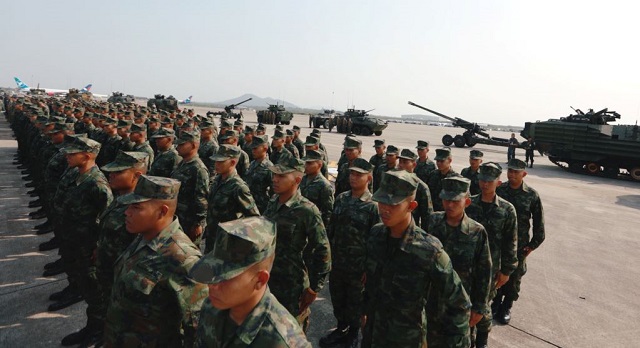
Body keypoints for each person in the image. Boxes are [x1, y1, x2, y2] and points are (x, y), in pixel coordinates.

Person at [362, 170, 471, 348]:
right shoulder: (376, 234)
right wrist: (364, 313)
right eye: (382, 201)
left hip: (407, 340)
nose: (385, 209)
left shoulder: (429, 250)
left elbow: (459, 303)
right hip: (373, 335)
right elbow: (371, 284)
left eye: (394, 204)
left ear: (411, 206)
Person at [104, 175, 208, 347]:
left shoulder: (184, 260)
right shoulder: (143, 237)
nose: (127, 212)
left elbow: (199, 332)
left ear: (162, 211)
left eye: (136, 207)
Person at [189, 216, 311, 347]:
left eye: (226, 277)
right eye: (214, 273)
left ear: (260, 279)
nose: (212, 285)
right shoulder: (211, 306)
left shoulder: (284, 341)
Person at [56, 136, 113, 346]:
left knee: (93, 289)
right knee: (80, 278)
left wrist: (98, 246)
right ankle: (77, 296)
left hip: (87, 245)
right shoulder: (76, 173)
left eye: (72, 153)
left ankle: (97, 328)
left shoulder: (97, 184)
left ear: (87, 156)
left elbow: (106, 218)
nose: (67, 156)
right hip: (73, 239)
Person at [263, 156, 331, 332]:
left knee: (290, 332)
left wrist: (314, 288)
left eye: (281, 176)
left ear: (297, 180)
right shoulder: (273, 202)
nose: (275, 179)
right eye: (274, 175)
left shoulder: (307, 210)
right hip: (268, 279)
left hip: (292, 286)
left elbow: (323, 250)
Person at [320, 158, 380, 348]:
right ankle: (341, 328)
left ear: (369, 178)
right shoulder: (342, 199)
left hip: (358, 266)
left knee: (356, 301)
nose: (353, 178)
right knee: (338, 296)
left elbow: (377, 241)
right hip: (338, 261)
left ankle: (354, 334)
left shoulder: (373, 206)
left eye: (358, 175)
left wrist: (368, 269)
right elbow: (332, 229)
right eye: (352, 174)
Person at [91, 151, 149, 348]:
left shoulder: (140, 209)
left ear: (137, 176)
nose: (111, 175)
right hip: (109, 273)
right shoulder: (120, 198)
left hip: (124, 280)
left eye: (118, 172)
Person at [426, 176, 492, 348]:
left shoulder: (476, 232)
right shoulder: (433, 222)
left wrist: (479, 307)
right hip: (431, 301)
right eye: (446, 199)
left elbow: (484, 271)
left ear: (467, 202)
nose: (449, 205)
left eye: (455, 201)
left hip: (460, 304)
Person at [465, 162, 518, 348]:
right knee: (467, 305)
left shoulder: (507, 209)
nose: (484, 184)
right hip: (468, 266)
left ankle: (482, 342)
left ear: (498, 182)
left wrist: (506, 271)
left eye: (489, 180)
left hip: (492, 268)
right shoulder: (469, 204)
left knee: (484, 308)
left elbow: (510, 242)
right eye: (481, 180)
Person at [495, 159, 545, 324]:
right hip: (499, 242)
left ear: (524, 174)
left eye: (516, 172)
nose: (512, 174)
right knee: (497, 273)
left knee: (514, 277)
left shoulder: (531, 195)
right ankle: (495, 302)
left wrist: (531, 246)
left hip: (519, 245)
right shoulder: (500, 190)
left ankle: (507, 306)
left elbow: (539, 225)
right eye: (510, 171)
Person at [204, 145, 259, 253]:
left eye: (220, 162)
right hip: (212, 238)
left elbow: (254, 218)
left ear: (233, 162)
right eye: (216, 161)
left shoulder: (238, 187)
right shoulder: (217, 180)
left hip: (228, 244)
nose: (216, 164)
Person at [171, 131, 210, 243]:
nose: (178, 147)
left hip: (189, 220)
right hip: (179, 215)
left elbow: (201, 198)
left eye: (182, 145)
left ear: (193, 145)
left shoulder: (198, 168)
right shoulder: (183, 163)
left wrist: (198, 223)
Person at [397, 148, 433, 230]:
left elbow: (427, 218)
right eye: (400, 162)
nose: (401, 165)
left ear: (414, 165)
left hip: (410, 230)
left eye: (405, 162)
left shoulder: (421, 187)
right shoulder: (394, 182)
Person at [300, 149, 335, 229]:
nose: (306, 166)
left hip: (313, 225)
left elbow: (327, 213)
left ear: (319, 165)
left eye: (309, 163)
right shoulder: (302, 179)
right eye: (305, 163)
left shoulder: (324, 185)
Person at [243, 135, 273, 214]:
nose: (253, 151)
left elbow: (273, 192)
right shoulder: (253, 163)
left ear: (265, 148)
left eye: (255, 148)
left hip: (261, 207)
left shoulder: (269, 167)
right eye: (252, 148)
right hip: (249, 205)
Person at [427, 147, 459, 212]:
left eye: (442, 161)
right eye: (437, 161)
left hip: (447, 214)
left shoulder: (456, 179)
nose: (438, 163)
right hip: (433, 213)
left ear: (450, 160)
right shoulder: (433, 174)